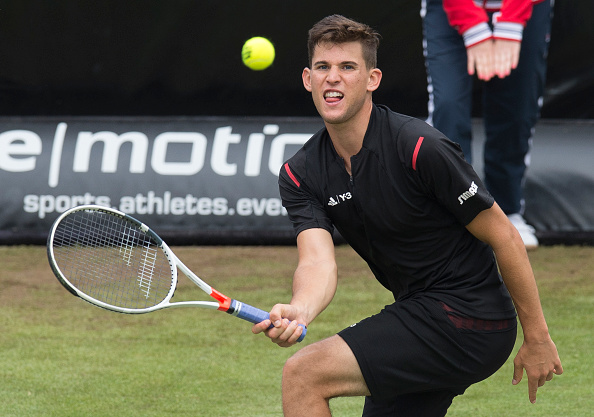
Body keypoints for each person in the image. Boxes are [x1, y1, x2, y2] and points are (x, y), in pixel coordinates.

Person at [252, 14, 562, 417]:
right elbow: (317, 261)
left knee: (303, 374)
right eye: (323, 68)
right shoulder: (300, 173)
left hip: (469, 316)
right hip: (417, 312)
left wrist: (537, 336)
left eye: (348, 67)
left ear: (372, 79)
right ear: (308, 79)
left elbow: (504, 235)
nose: (333, 78)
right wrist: (301, 309)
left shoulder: (419, 147)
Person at [421, 0, 554, 250]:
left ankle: (507, 211)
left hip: (526, 7)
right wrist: (472, 26)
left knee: (517, 110)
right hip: (451, 7)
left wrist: (511, 22)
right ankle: (454, 214)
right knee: (448, 108)